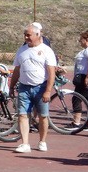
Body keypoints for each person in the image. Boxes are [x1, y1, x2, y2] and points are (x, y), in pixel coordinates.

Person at [8, 23, 57, 153]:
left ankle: (42, 141)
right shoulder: (21, 50)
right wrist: (11, 86)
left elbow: (51, 72)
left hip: (41, 87)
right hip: (24, 87)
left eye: (28, 35)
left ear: (37, 34)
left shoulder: (46, 50)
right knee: (22, 115)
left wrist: (48, 91)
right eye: (25, 35)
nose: (26, 37)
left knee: (43, 116)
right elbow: (17, 70)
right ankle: (25, 143)